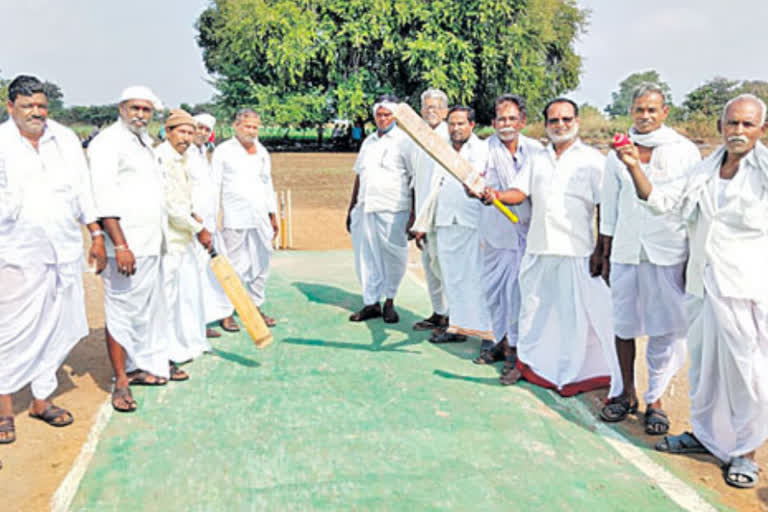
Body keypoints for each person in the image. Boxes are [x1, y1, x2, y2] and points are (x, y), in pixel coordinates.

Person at [621, 94, 768, 489]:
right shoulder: (706, 168)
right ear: (721, 127)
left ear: (762, 130)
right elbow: (661, 201)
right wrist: (635, 167)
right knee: (704, 370)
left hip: (746, 290)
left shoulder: (764, 169)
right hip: (703, 287)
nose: (738, 132)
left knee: (748, 375)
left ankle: (746, 451)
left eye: (747, 125)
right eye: (732, 123)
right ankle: (705, 436)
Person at [0, 75, 106, 440]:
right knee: (10, 331)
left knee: (56, 327)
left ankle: (42, 400)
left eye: (42, 106)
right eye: (27, 106)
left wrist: (95, 233)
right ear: (10, 106)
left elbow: (82, 190)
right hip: (15, 253)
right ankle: (4, 408)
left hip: (62, 250)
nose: (36, 112)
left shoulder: (63, 140)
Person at [494, 98, 621, 396]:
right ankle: (528, 365)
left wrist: (602, 252)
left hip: (577, 252)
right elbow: (518, 192)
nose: (560, 125)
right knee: (534, 312)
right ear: (546, 125)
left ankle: (579, 373)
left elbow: (606, 206)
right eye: (554, 121)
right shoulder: (537, 159)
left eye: (566, 119)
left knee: (577, 318)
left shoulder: (592, 160)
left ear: (576, 121)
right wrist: (494, 195)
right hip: (539, 249)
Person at [598, 83, 701, 434]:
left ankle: (655, 398)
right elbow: (609, 203)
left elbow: (685, 206)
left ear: (665, 112)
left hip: (668, 249)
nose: (644, 116)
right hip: (627, 249)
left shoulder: (683, 150)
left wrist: (692, 257)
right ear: (631, 111)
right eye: (639, 110)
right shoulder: (617, 149)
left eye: (651, 110)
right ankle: (625, 393)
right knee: (622, 324)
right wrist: (604, 247)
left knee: (665, 328)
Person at [88, 86, 171, 412]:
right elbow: (103, 198)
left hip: (151, 242)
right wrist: (119, 244)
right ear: (121, 108)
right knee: (121, 309)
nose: (140, 114)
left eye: (146, 110)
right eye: (134, 108)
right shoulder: (107, 143)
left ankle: (138, 367)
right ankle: (120, 381)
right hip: (126, 244)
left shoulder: (144, 142)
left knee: (145, 309)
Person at [474, 94, 543, 385]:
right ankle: (499, 341)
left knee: (520, 295)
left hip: (529, 231)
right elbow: (472, 181)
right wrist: (478, 190)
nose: (506, 124)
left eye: (512, 118)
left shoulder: (537, 151)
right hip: (495, 232)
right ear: (493, 123)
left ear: (522, 122)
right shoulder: (483, 150)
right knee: (494, 291)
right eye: (501, 119)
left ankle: (517, 349)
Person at [416, 105, 492, 346]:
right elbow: (435, 188)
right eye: (452, 123)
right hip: (445, 221)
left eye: (461, 123)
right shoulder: (443, 151)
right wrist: (424, 223)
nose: (456, 128)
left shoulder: (483, 150)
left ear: (472, 125)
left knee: (477, 278)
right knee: (451, 278)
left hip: (473, 222)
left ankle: (488, 334)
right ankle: (457, 327)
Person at [346, 95, 413, 323]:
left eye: (387, 115)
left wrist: (414, 215)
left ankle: (390, 301)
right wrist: (352, 206)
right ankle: (371, 302)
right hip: (366, 206)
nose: (383, 119)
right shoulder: (369, 142)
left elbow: (414, 179)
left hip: (394, 207)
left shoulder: (405, 141)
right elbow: (359, 175)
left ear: (395, 116)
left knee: (394, 256)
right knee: (366, 256)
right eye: (379, 115)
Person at [156, 109, 213, 374]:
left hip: (184, 237)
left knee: (185, 295)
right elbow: (168, 204)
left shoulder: (183, 158)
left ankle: (181, 345)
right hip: (167, 240)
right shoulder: (161, 158)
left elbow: (182, 200)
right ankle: (161, 357)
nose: (187, 138)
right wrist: (198, 228)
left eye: (191, 132)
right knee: (165, 299)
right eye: (182, 131)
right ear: (168, 132)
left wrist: (193, 217)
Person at [214, 108, 279, 326]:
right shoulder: (223, 151)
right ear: (237, 126)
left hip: (260, 217)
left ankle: (254, 308)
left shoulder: (261, 151)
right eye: (248, 126)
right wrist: (214, 218)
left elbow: (267, 183)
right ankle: (226, 312)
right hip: (235, 217)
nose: (252, 131)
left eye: (255, 127)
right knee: (234, 267)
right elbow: (215, 186)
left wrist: (272, 213)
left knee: (261, 264)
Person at [189, 113, 237, 337]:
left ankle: (219, 314)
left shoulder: (203, 153)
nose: (202, 132)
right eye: (198, 127)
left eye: (207, 130)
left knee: (215, 270)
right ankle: (198, 322)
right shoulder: (184, 154)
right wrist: (196, 223)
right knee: (194, 275)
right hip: (191, 226)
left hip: (209, 223)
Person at [409, 88, 450, 332]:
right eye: (426, 107)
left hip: (439, 216)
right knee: (429, 266)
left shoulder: (449, 139)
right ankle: (438, 313)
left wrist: (424, 221)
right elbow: (417, 181)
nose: (430, 111)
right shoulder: (419, 138)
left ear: (444, 111)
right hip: (423, 216)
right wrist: (415, 218)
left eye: (435, 107)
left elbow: (439, 185)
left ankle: (454, 319)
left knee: (443, 268)